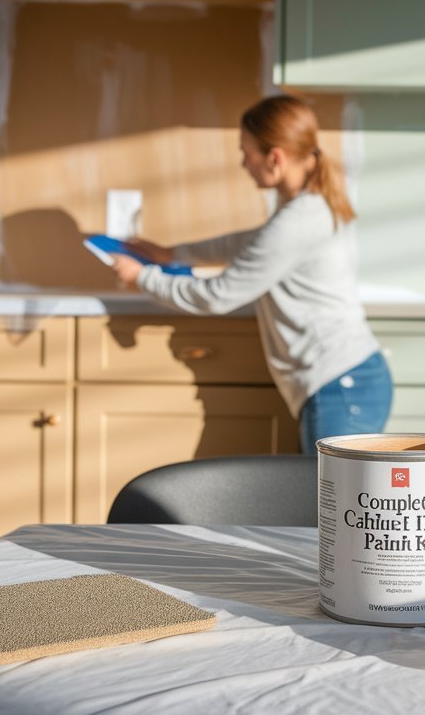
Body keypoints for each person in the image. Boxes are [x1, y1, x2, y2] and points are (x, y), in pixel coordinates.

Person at [110, 95, 392, 455]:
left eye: (246, 153)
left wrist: (142, 278)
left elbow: (219, 295)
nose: (243, 163)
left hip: (341, 385)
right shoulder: (305, 206)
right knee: (323, 503)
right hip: (348, 380)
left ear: (274, 158)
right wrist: (173, 253)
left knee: (327, 507)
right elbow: (249, 244)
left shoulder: (299, 219)